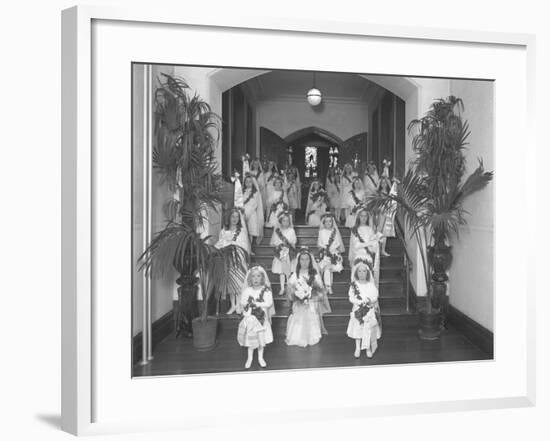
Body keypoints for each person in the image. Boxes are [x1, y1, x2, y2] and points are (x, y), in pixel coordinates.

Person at [285, 248, 332, 347]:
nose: (304, 262)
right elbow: (290, 291)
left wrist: (311, 296)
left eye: (307, 259)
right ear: (299, 261)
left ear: (310, 261)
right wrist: (297, 296)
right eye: (302, 259)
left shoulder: (314, 275)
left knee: (311, 315)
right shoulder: (294, 275)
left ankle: (312, 336)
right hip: (299, 303)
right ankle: (297, 337)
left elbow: (320, 291)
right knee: (298, 317)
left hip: (311, 303)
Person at [237, 266, 275, 369]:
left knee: (261, 339)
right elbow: (243, 302)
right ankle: (249, 358)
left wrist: (256, 304)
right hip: (250, 319)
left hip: (262, 319)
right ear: (250, 278)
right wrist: (248, 307)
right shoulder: (247, 291)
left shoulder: (266, 290)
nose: (256, 279)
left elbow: (269, 303)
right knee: (251, 340)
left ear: (262, 278)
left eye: (258, 276)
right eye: (253, 276)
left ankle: (260, 357)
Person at [215, 207, 250, 314]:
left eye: (237, 217)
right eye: (232, 216)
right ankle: (233, 305)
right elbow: (219, 244)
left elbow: (244, 245)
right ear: (229, 218)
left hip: (239, 259)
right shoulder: (224, 231)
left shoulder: (242, 231)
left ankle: (239, 304)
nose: (235, 219)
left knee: (239, 282)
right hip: (228, 260)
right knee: (230, 283)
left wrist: (239, 254)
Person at [346, 259, 382, 358]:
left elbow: (375, 296)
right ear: (356, 273)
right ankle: (357, 347)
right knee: (358, 329)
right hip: (358, 309)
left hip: (369, 309)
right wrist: (359, 302)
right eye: (360, 271)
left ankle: (368, 348)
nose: (362, 273)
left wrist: (369, 301)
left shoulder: (371, 285)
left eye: (364, 271)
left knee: (368, 329)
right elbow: (351, 297)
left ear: (367, 273)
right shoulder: (354, 285)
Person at [348, 208, 383, 287]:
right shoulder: (355, 230)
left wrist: (377, 242)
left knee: (368, 276)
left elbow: (373, 247)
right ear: (358, 217)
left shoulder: (370, 229)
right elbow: (356, 245)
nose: (363, 218)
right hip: (358, 255)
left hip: (368, 256)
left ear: (368, 218)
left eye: (365, 216)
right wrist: (370, 243)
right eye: (361, 216)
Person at [317, 213, 345, 295]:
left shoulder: (334, 232)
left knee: (330, 269)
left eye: (330, 221)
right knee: (327, 268)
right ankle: (328, 287)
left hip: (333, 252)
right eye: (326, 222)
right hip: (325, 252)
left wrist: (332, 248)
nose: (328, 223)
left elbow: (338, 243)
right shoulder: (321, 232)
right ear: (324, 223)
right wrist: (325, 247)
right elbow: (319, 243)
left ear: (332, 223)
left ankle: (329, 286)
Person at [270, 211, 297, 296]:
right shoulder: (277, 231)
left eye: (287, 221)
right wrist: (280, 246)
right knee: (281, 271)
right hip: (280, 253)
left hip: (289, 252)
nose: (286, 222)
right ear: (280, 221)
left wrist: (288, 245)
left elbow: (293, 241)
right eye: (284, 221)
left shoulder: (291, 230)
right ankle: (282, 288)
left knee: (288, 271)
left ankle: (288, 286)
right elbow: (274, 241)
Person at [376, 176, 397, 257]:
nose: (384, 184)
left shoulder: (390, 193)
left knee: (385, 233)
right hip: (380, 213)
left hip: (387, 213)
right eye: (382, 183)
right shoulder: (378, 193)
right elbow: (376, 203)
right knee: (379, 231)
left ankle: (383, 250)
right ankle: (377, 249)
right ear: (380, 184)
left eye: (385, 182)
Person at [242, 174, 264, 249]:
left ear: (253, 183)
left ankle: (250, 248)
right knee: (244, 232)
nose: (248, 183)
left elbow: (254, 204)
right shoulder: (242, 192)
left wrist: (247, 213)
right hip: (243, 213)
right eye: (246, 182)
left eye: (250, 182)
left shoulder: (255, 193)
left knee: (250, 232)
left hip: (251, 214)